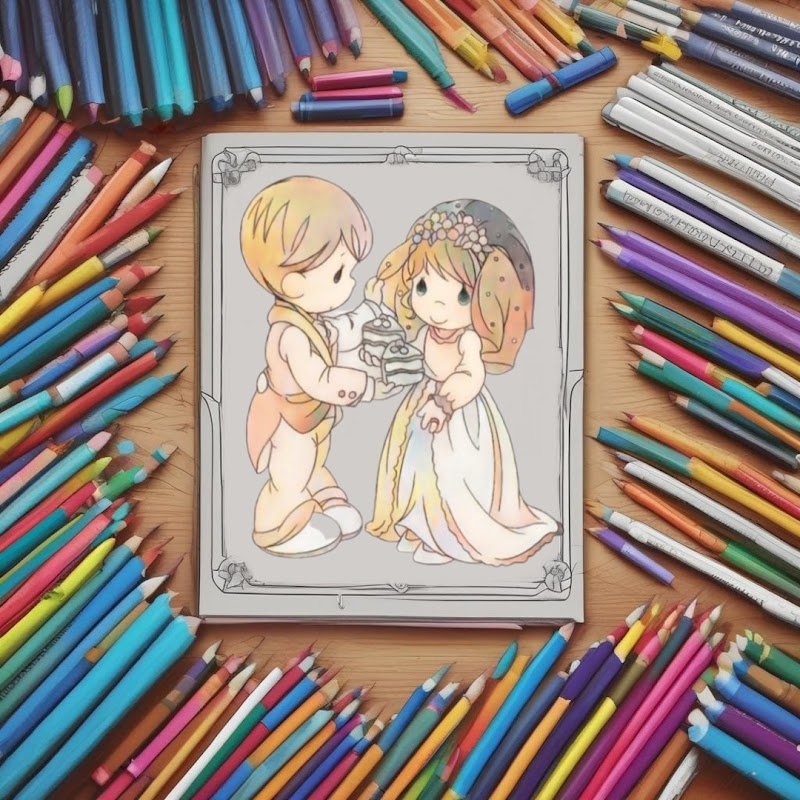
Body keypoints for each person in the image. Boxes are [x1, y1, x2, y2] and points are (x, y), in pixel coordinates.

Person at [365, 199, 559, 566]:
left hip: (460, 418)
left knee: (455, 477)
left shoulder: (468, 340)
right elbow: (411, 358)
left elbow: (471, 376)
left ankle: (449, 539)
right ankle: (421, 527)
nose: (437, 307)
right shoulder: (425, 333)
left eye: (460, 295)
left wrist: (444, 403)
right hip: (421, 410)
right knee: (415, 471)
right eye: (423, 286)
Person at [242, 176, 395, 558]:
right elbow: (320, 380)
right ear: (295, 284)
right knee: (290, 476)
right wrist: (368, 386)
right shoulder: (290, 334)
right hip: (290, 422)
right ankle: (275, 529)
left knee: (313, 465)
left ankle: (329, 503)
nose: (350, 283)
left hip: (310, 420)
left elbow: (343, 328)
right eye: (340, 274)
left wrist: (371, 310)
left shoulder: (309, 316)